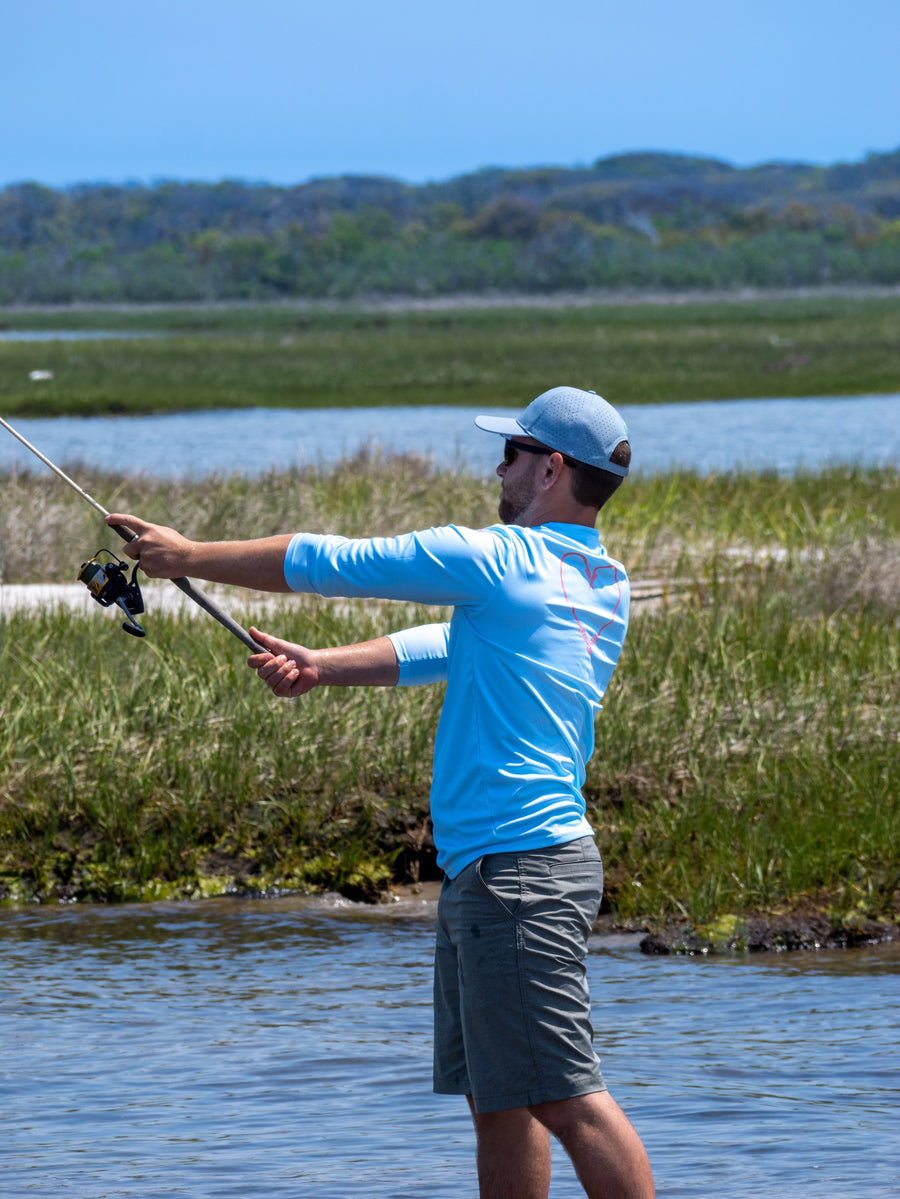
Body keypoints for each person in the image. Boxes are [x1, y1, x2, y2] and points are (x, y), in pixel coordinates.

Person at [108, 385, 655, 1199]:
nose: (496, 468)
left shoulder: (502, 561)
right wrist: (326, 666)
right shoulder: (596, 583)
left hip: (520, 872)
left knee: (562, 1093)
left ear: (548, 470)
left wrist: (188, 555)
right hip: (501, 869)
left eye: (509, 453)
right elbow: (450, 641)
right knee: (500, 1099)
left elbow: (335, 561)